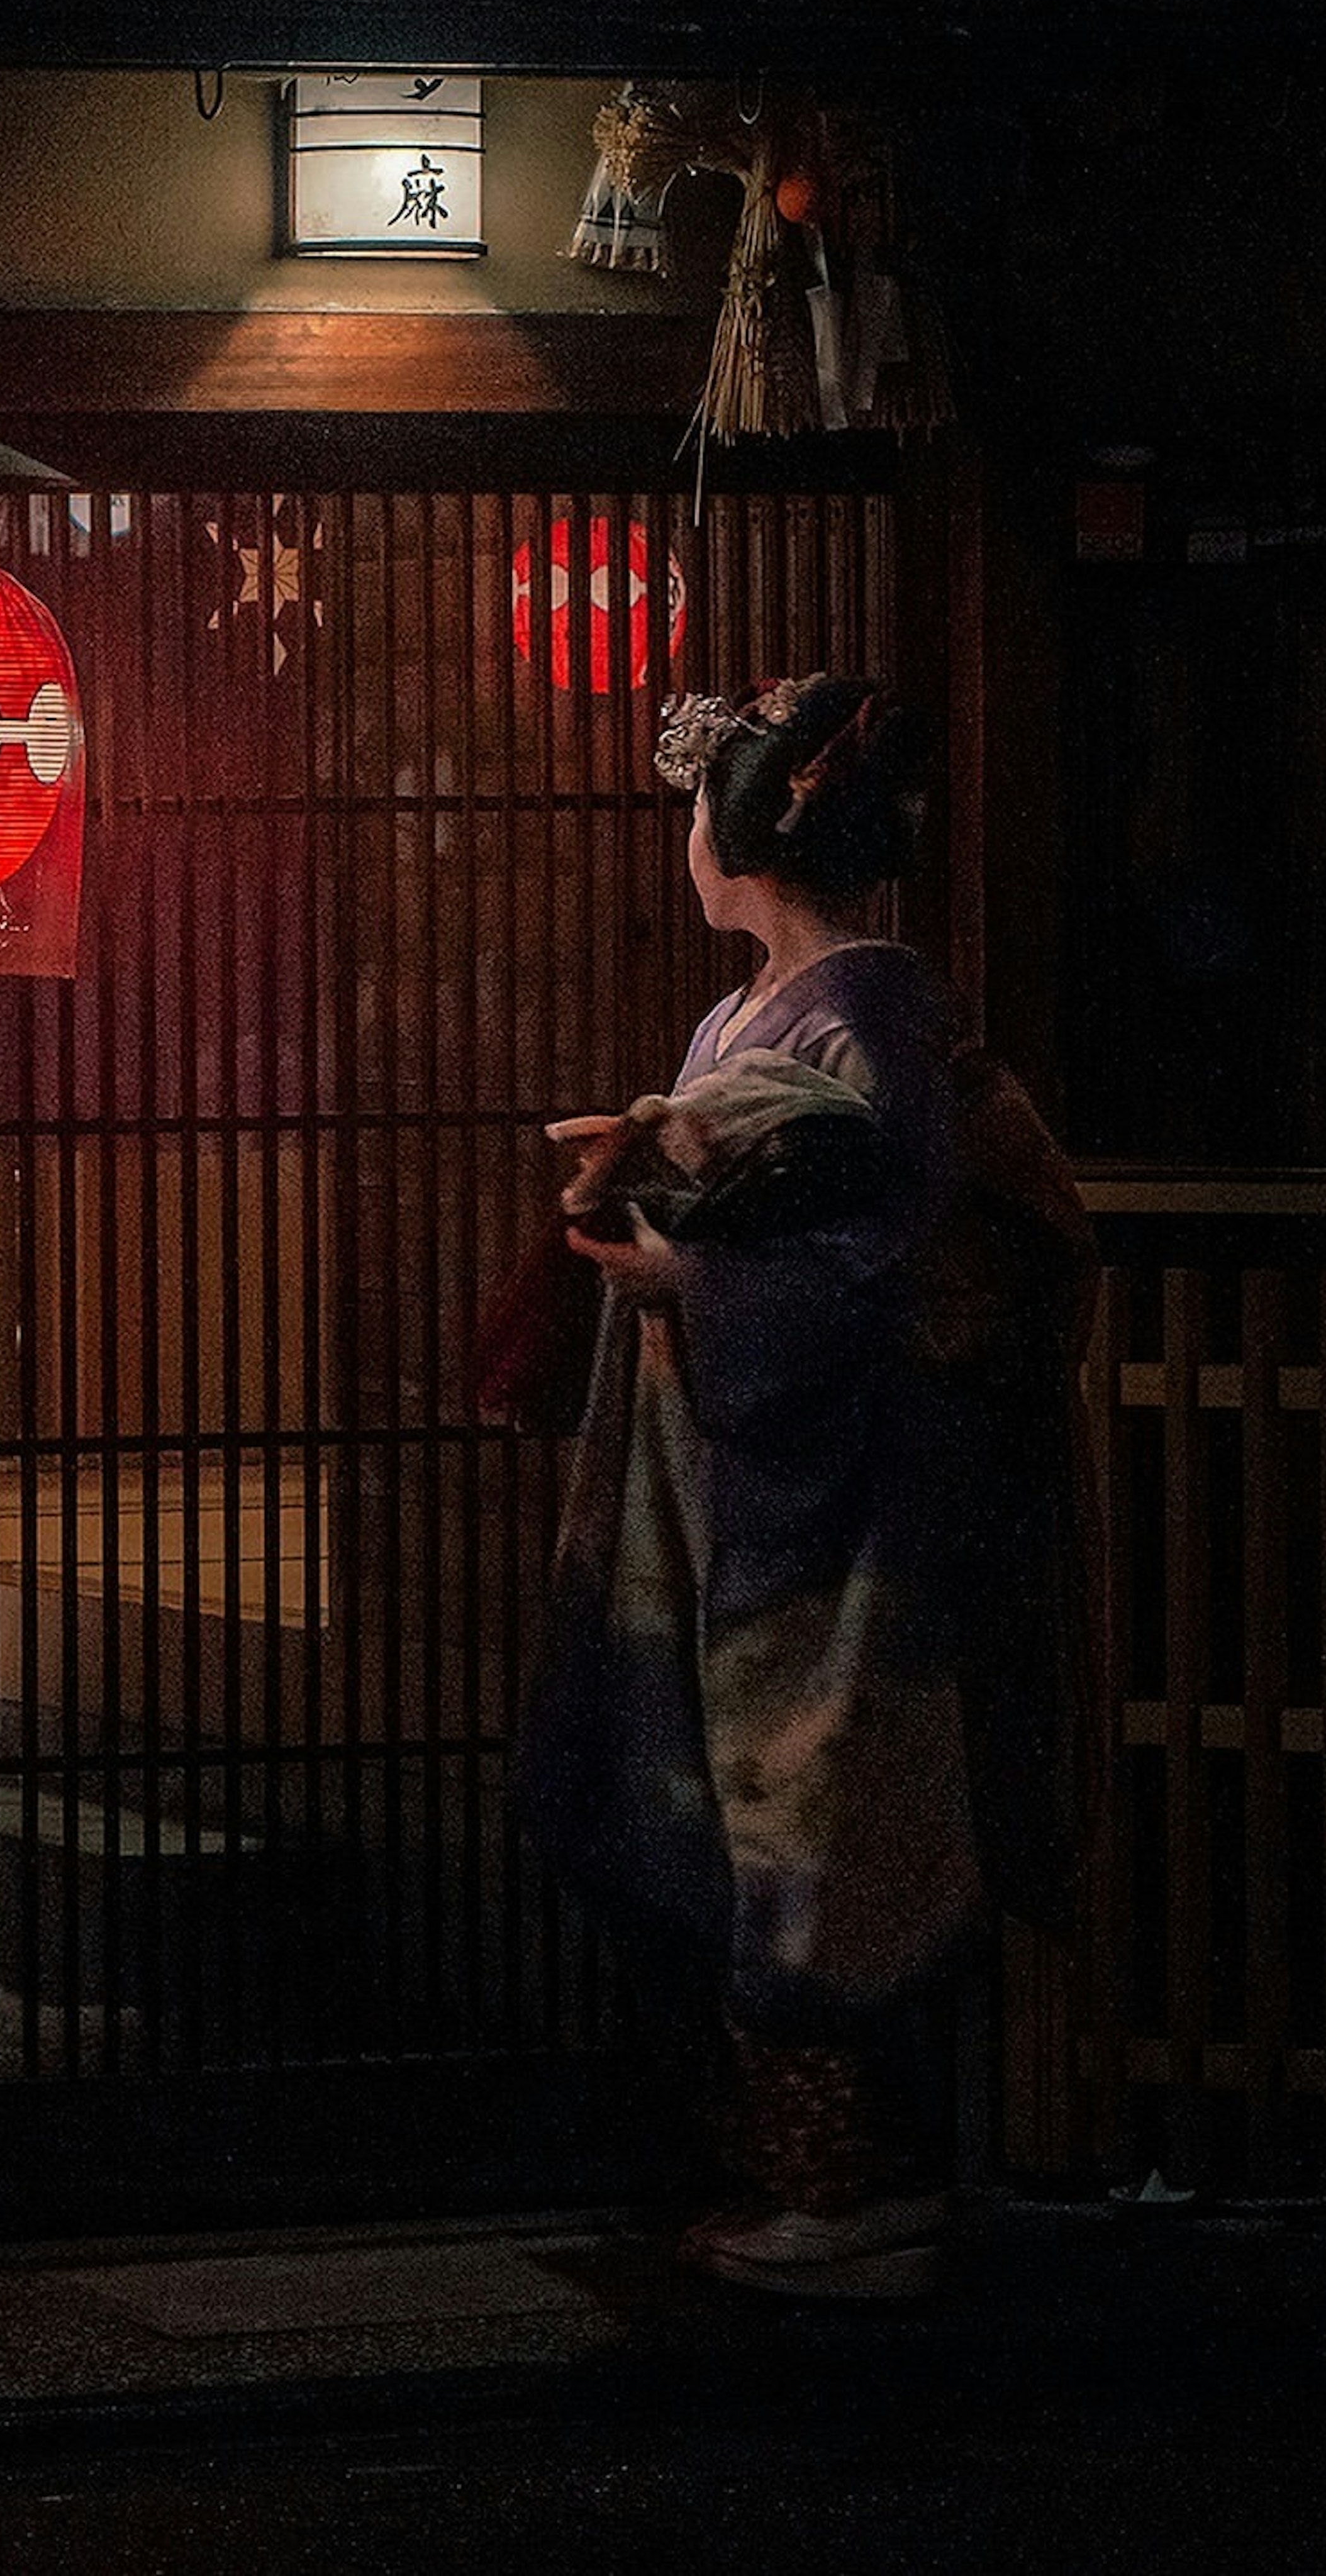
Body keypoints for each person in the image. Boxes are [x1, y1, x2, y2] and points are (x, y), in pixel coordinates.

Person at [516, 674, 1088, 2301]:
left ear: (744, 835)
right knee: (755, 1800)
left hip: (844, 1502)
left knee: (822, 1816)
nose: (684, 843)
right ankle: (812, 2177)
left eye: (698, 814)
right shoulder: (768, 1015)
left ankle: (856, 2197)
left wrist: (677, 1282)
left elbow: (864, 1264)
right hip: (754, 1477)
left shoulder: (872, 1017)